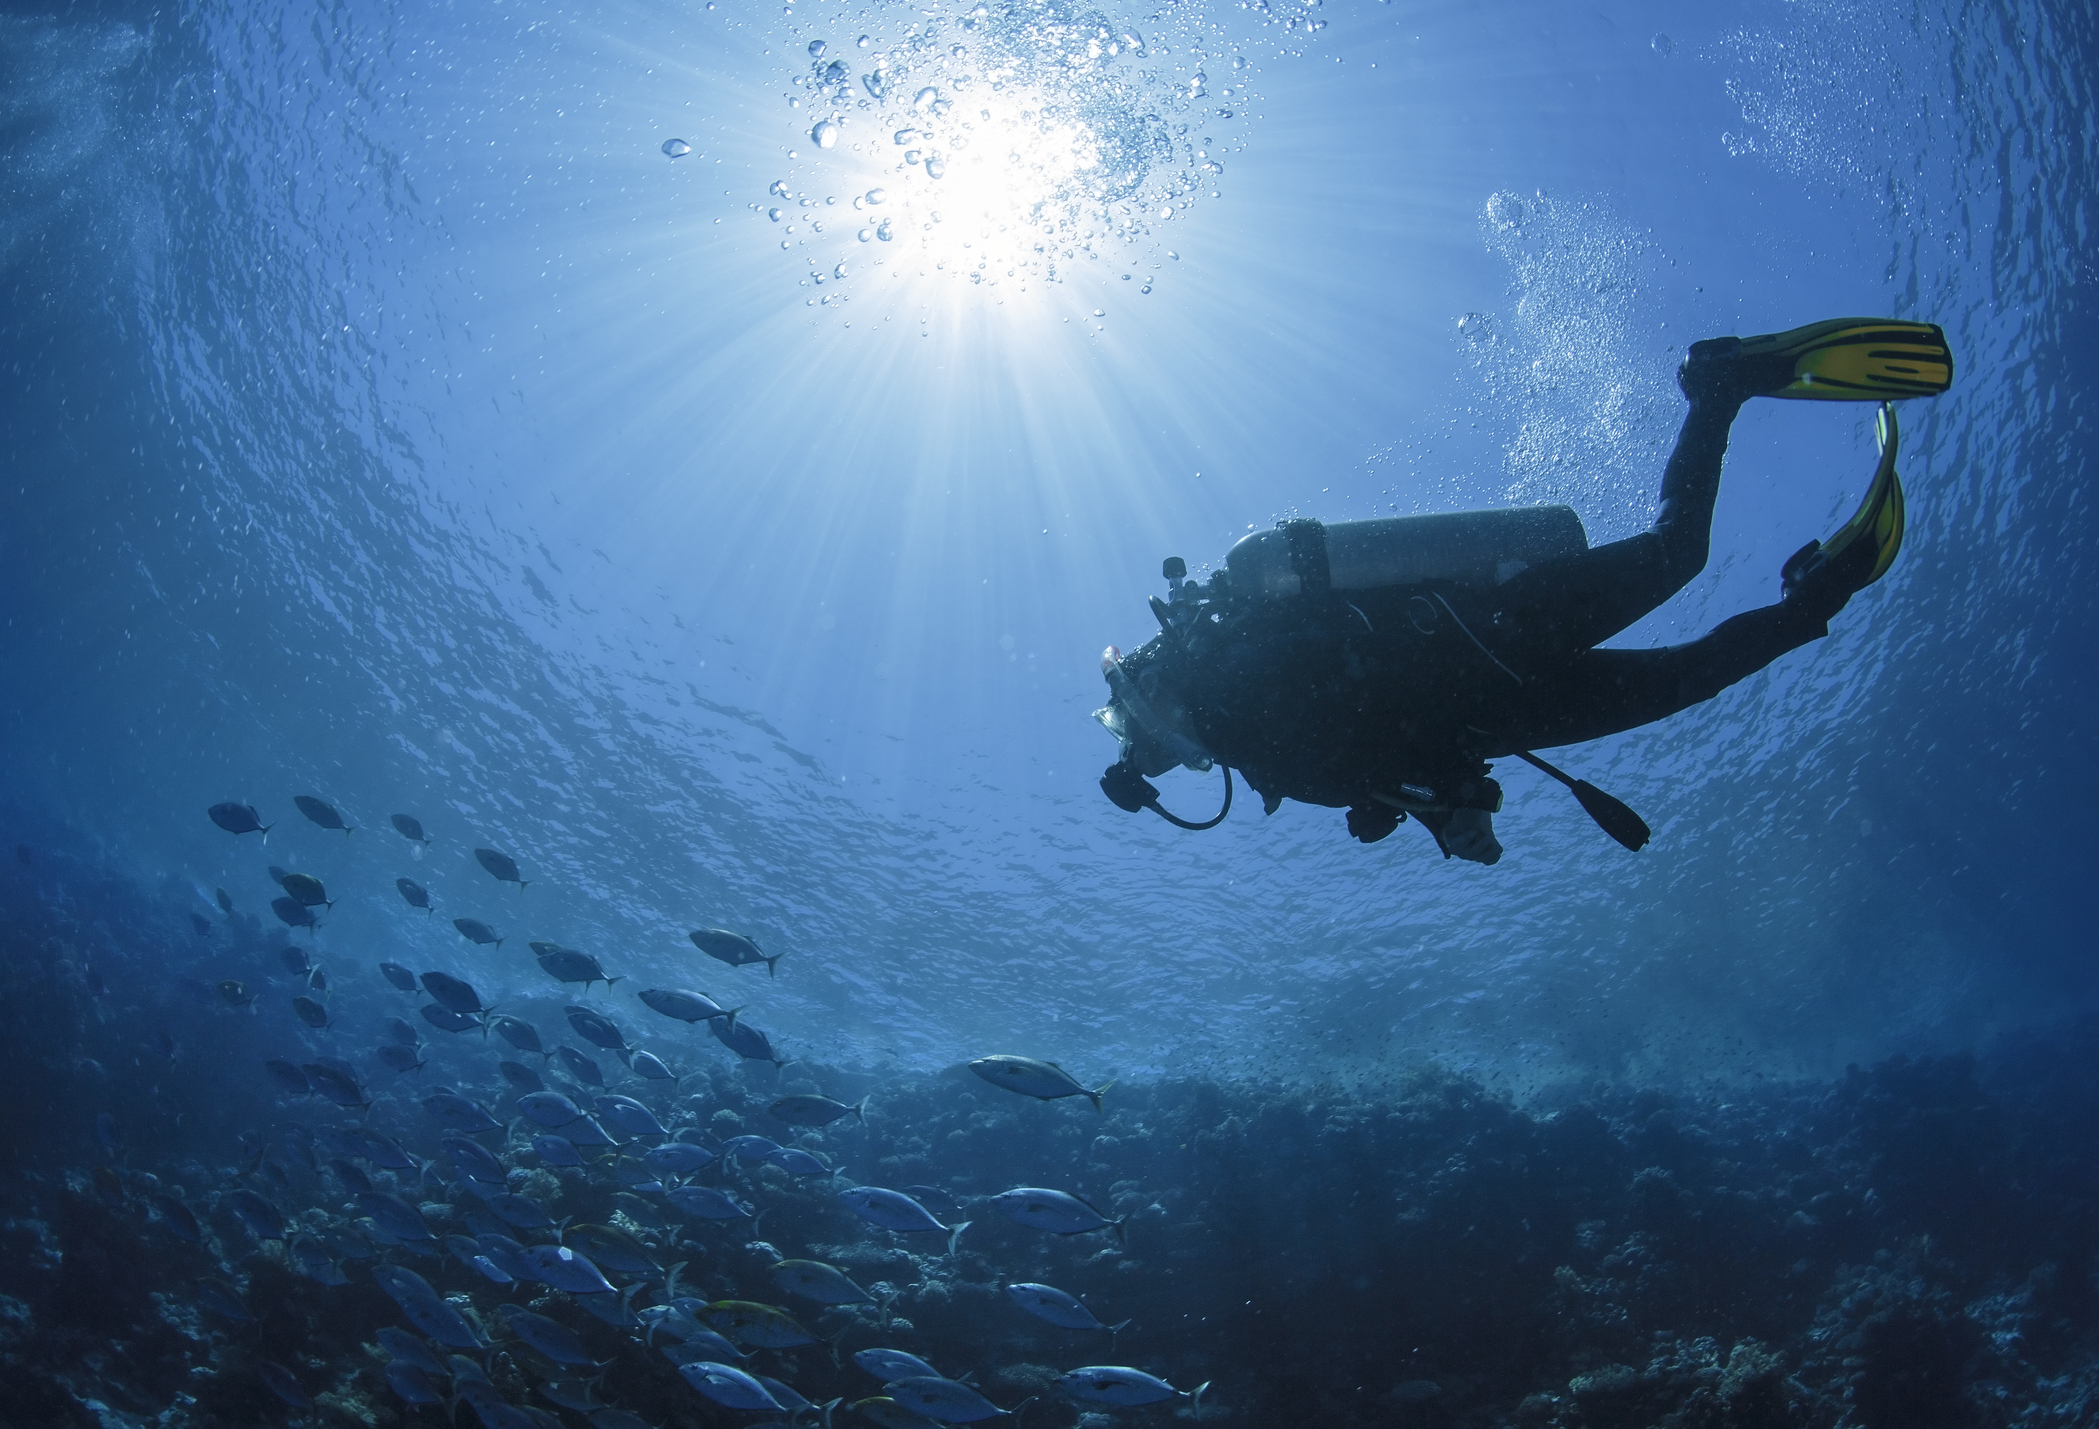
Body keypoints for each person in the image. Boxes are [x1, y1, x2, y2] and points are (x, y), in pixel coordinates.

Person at [1093, 318, 1953, 864]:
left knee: (1674, 563)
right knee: (1695, 665)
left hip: (1492, 639)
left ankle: (1719, 391)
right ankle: (1816, 597)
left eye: (1133, 729)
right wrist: (1436, 812)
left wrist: (1426, 807)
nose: (1159, 755)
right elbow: (1393, 751)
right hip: (1507, 703)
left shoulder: (1239, 696)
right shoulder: (1251, 736)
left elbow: (1366, 699)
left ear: (1151, 693)